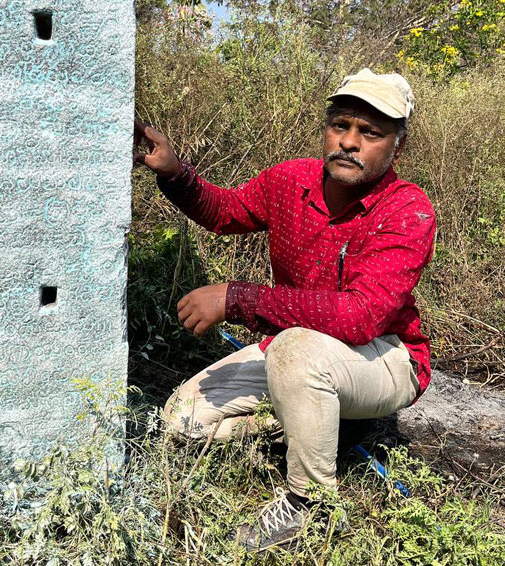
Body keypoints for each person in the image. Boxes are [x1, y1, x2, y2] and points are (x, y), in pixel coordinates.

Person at [132, 67, 437, 551]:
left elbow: (361, 316)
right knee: (182, 421)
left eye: (370, 132)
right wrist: (173, 172)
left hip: (385, 357)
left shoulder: (407, 211)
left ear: (397, 147)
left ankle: (309, 504)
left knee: (296, 350)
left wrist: (237, 299)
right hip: (299, 352)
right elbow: (225, 212)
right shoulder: (291, 180)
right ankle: (324, 422)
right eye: (340, 125)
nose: (349, 142)